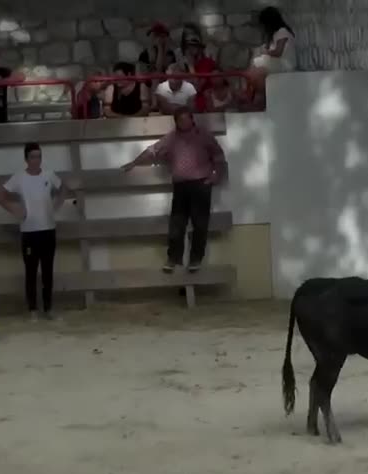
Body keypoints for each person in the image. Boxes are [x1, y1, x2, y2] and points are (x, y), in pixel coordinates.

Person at [120, 107, 227, 273]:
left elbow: (218, 156)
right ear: (176, 121)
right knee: (177, 224)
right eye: (180, 120)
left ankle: (196, 259)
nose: (183, 123)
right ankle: (173, 258)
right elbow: (152, 151)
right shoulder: (171, 138)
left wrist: (216, 176)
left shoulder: (204, 135)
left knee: (200, 224)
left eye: (186, 119)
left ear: (192, 119)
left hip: (201, 185)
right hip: (181, 186)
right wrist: (134, 162)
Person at [0, 143, 71, 321]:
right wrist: (12, 208)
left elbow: (63, 187)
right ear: (26, 159)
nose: (36, 160)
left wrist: (58, 203)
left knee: (48, 272)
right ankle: (32, 310)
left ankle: (48, 308)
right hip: (29, 232)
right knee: (30, 272)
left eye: (39, 156)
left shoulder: (49, 175)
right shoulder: (19, 178)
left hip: (48, 230)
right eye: (33, 157)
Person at [245, 6, 296, 109]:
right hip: (279, 62)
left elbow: (278, 52)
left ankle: (259, 96)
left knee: (255, 69)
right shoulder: (277, 33)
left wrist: (266, 51)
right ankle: (256, 95)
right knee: (253, 68)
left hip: (285, 64)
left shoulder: (282, 31)